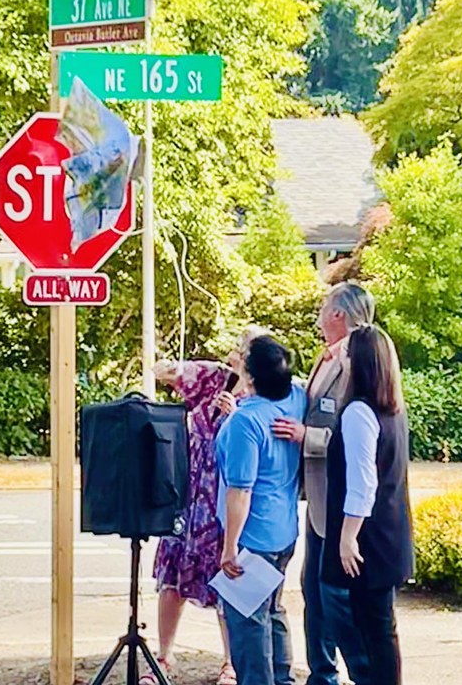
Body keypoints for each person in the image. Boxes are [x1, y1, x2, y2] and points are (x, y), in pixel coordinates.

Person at [140, 326, 265, 685]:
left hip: (227, 491)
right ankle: (164, 657)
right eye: (239, 349)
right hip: (192, 489)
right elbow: (165, 372)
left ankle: (231, 662)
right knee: (173, 574)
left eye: (245, 350)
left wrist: (235, 414)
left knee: (229, 578)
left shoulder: (263, 392)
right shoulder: (216, 377)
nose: (238, 354)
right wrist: (177, 367)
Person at [273, 282, 373, 685]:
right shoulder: (327, 357)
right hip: (315, 499)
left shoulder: (361, 361)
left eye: (324, 305)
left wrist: (305, 436)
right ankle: (322, 674)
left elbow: (361, 437)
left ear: (338, 314)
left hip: (341, 501)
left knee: (335, 599)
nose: (318, 311)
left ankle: (355, 673)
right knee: (313, 592)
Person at [322, 325, 414, 685]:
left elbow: (363, 482)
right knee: (381, 630)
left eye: (347, 351)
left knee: (372, 633)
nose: (340, 356)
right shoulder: (392, 408)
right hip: (390, 533)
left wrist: (347, 537)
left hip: (369, 539)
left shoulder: (358, 412)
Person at [215, 335, 307, 685]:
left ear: (251, 376)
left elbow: (241, 490)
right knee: (273, 612)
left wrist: (229, 548)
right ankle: (283, 679)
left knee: (249, 626)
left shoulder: (245, 423)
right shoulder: (294, 400)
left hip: (252, 537)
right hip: (283, 530)